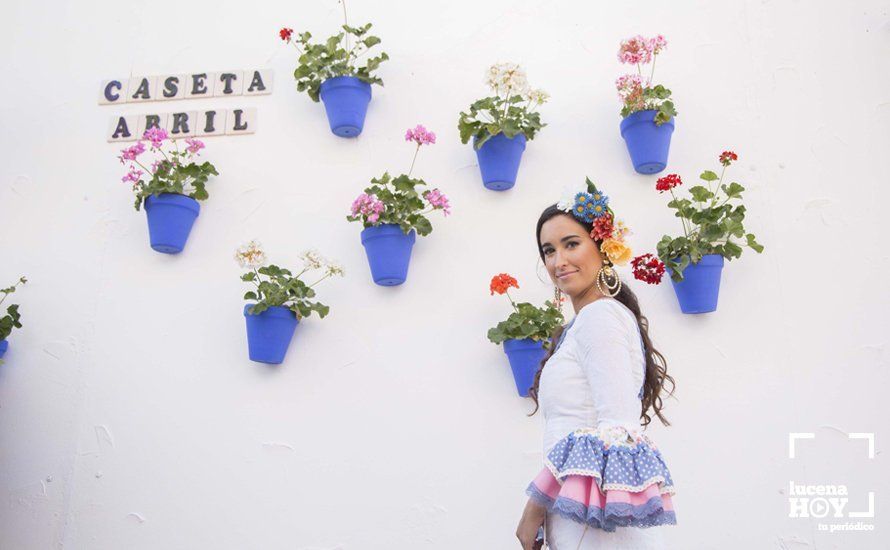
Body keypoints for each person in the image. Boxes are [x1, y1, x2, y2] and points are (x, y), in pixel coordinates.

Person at [515, 182, 678, 549]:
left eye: (571, 244)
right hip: (577, 513)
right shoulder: (580, 324)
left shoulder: (600, 317)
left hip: (593, 524)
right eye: (548, 250)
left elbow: (616, 428)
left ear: (603, 248)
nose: (558, 261)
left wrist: (534, 507)